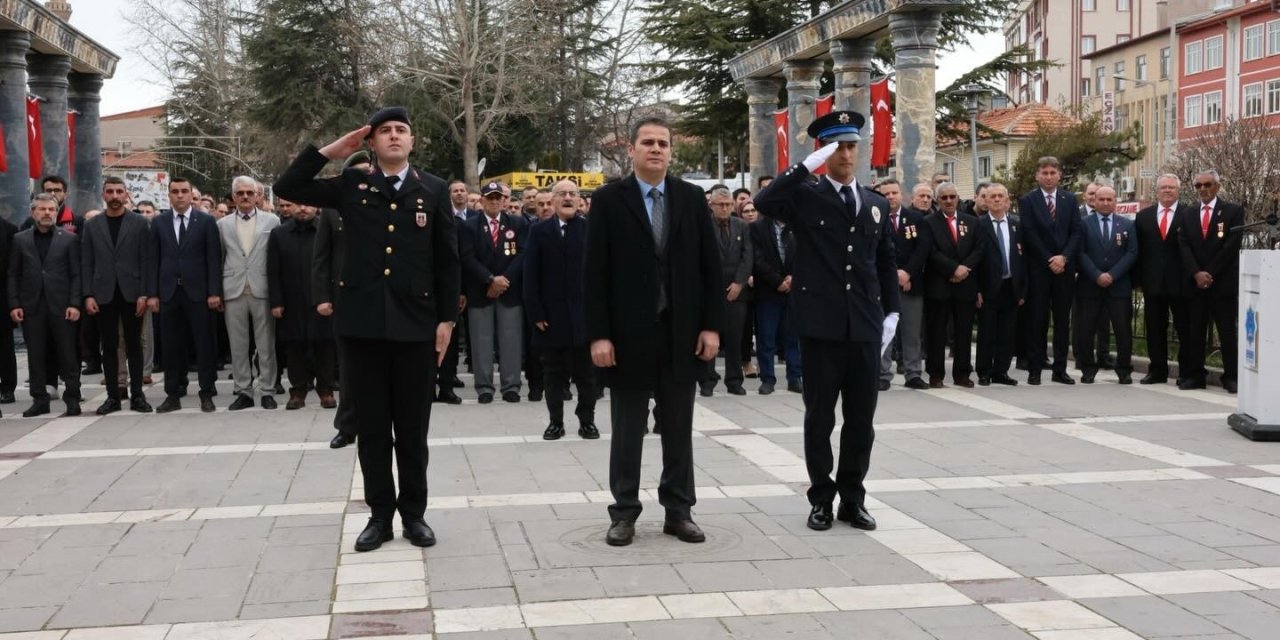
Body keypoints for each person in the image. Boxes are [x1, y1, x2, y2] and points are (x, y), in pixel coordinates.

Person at [274, 106, 459, 552]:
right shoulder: (353, 184)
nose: (394, 136)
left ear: (412, 142)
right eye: (385, 132)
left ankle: (414, 514)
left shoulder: (432, 189)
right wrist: (333, 150)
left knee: (412, 429)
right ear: (372, 143)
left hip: (416, 327)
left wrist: (447, 319)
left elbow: (447, 260)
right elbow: (288, 187)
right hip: (361, 326)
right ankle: (380, 515)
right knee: (373, 428)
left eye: (402, 130)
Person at [753, 110, 899, 533]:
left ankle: (853, 499)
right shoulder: (805, 195)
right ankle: (821, 498)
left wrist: (889, 310)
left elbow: (884, 259)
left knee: (861, 420)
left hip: (865, 327)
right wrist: (803, 168)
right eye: (839, 147)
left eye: (853, 145)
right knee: (820, 418)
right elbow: (764, 203)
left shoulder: (873, 203)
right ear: (825, 152)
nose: (848, 154)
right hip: (820, 325)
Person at [585, 116, 724, 547]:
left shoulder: (690, 198)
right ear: (631, 150)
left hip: (681, 332)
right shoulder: (610, 200)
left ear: (671, 151)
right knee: (628, 428)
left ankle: (679, 510)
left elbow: (710, 268)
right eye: (647, 142)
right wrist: (599, 334)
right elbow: (595, 273)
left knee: (678, 426)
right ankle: (624, 512)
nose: (656, 149)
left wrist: (711, 327)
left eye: (663, 143)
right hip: (627, 336)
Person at [524, 180, 599, 440]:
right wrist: (536, 313)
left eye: (573, 194)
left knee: (587, 377)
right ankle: (555, 421)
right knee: (553, 375)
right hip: (551, 318)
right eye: (562, 194)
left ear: (579, 200)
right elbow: (530, 275)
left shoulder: (591, 230)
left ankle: (586, 420)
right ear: (552, 201)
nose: (567, 198)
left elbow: (600, 275)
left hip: (583, 318)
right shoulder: (539, 231)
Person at [148, 176, 223, 413]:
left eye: (183, 191)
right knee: (171, 346)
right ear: (168, 195)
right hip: (169, 293)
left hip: (199, 293)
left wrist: (214, 291)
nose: (179, 195)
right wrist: (152, 294)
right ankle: (173, 393)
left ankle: (207, 392)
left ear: (192, 195)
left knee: (203, 344)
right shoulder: (159, 222)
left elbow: (214, 258)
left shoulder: (206, 222)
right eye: (174, 191)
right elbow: (153, 259)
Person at [80, 177, 154, 414]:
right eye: (110, 191)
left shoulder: (140, 223)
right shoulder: (92, 225)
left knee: (134, 345)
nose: (114, 195)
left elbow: (146, 260)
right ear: (103, 195)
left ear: (126, 195)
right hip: (103, 293)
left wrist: (145, 293)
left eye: (119, 191)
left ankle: (138, 396)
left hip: (133, 292)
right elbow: (87, 262)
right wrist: (88, 294)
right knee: (109, 346)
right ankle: (113, 396)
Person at [9, 194, 82, 417]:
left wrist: (74, 303)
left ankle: (72, 398)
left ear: (56, 212)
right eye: (42, 209)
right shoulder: (20, 239)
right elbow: (14, 274)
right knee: (36, 355)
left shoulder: (68, 239)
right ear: (33, 212)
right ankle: (39, 399)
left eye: (51, 209)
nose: (47, 213)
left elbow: (76, 274)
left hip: (62, 306)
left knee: (67, 354)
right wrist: (14, 304)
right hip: (32, 307)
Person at [314, 152, 366, 447]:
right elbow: (320, 258)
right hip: (343, 296)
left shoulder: (384, 207)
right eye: (356, 174)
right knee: (347, 365)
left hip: (377, 295)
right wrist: (321, 296)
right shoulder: (332, 211)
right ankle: (347, 426)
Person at [460, 182, 528, 403]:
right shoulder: (470, 226)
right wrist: (490, 279)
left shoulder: (517, 223)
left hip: (509, 291)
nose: (495, 201)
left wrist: (503, 280)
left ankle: (511, 386)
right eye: (490, 197)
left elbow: (522, 255)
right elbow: (468, 258)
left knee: (511, 340)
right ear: (482, 200)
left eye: (499, 197)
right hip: (481, 292)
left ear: (504, 200)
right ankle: (485, 387)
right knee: (481, 341)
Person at [219, 176, 282, 410]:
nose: (245, 197)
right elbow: (220, 257)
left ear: (258, 196)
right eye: (240, 193)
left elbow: (276, 258)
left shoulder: (272, 221)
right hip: (233, 289)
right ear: (233, 197)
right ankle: (243, 390)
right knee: (238, 344)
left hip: (262, 288)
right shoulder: (222, 225)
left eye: (249, 192)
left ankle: (267, 389)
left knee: (266, 344)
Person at [1018, 156, 1081, 385]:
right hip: (1039, 269)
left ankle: (1060, 369)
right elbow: (1029, 233)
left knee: (1063, 321)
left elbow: (1076, 231)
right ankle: (1035, 368)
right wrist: (1049, 259)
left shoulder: (1070, 199)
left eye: (1052, 173)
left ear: (1059, 175)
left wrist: (1063, 257)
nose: (1048, 177)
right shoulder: (1028, 201)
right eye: (1044, 173)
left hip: (1064, 269)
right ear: (1037, 176)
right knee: (1038, 320)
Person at [1178, 169, 1242, 393]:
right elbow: (1183, 245)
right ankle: (1196, 375)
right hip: (1195, 284)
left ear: (1217, 186)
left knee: (1226, 332)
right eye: (1198, 185)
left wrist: (1209, 273)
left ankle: (1231, 376)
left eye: (1207, 185)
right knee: (1196, 331)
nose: (1203, 189)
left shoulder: (1232, 211)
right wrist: (1197, 273)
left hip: (1221, 283)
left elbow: (1230, 247)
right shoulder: (1188, 213)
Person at [268, 202, 335, 410]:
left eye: (307, 204)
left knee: (324, 346)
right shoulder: (279, 234)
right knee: (294, 347)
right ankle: (297, 392)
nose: (303, 208)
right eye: (297, 204)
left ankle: (326, 391)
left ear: (317, 207)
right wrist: (276, 301)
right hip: (291, 300)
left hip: (322, 298)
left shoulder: (328, 231)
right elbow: (273, 270)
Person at [1074, 186, 1138, 384]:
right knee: (1086, 330)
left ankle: (1124, 370)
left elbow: (1132, 252)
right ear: (1095, 201)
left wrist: (1112, 274)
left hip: (1118, 286)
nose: (1105, 202)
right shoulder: (1083, 224)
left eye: (1109, 199)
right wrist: (1096, 275)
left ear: (1115, 201)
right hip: (1090, 286)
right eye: (1101, 199)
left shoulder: (1127, 224)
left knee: (1122, 330)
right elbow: (1080, 252)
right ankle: (1087, 368)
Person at [922, 182, 984, 388]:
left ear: (958, 198)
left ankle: (962, 373)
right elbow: (930, 252)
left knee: (964, 332)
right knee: (937, 332)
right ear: (937, 201)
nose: (949, 201)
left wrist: (964, 269)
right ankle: (936, 374)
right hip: (940, 285)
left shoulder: (972, 222)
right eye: (944, 198)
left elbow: (978, 249)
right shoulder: (929, 222)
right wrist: (952, 269)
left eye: (952, 197)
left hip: (965, 285)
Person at [1134, 174, 1189, 385]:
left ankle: (1186, 372)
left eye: (1171, 188)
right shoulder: (1144, 216)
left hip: (1181, 283)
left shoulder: (1188, 214)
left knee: (1185, 328)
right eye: (1163, 187)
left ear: (1178, 190)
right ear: (1156, 191)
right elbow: (1139, 251)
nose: (1167, 191)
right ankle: (1157, 370)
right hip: (1152, 283)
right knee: (1155, 329)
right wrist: (1138, 280)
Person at [699, 187, 752, 397]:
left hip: (736, 292)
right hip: (710, 291)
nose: (725, 208)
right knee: (709, 336)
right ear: (711, 205)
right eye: (720, 205)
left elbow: (748, 256)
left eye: (728, 204)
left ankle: (734, 380)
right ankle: (707, 380)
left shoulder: (741, 226)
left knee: (734, 338)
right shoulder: (703, 225)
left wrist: (739, 283)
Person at [878, 180, 929, 391]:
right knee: (885, 332)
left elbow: (923, 249)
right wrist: (893, 276)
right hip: (883, 286)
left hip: (911, 284)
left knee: (911, 333)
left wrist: (907, 273)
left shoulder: (915, 219)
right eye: (886, 194)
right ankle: (882, 374)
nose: (890, 197)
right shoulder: (875, 218)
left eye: (894, 192)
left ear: (903, 195)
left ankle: (913, 373)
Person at [974, 183, 1026, 386]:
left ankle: (1001, 371)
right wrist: (976, 289)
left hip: (1011, 285)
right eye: (992, 196)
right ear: (985, 201)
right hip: (988, 287)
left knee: (1007, 332)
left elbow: (1023, 258)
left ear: (1007, 201)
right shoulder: (978, 224)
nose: (996, 199)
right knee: (987, 331)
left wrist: (1022, 289)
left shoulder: (1017, 224)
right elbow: (975, 258)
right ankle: (984, 371)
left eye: (1000, 196)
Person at [749, 205, 801, 395]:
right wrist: (776, 281)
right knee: (766, 337)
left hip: (793, 290)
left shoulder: (799, 225)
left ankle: (795, 377)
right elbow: (756, 259)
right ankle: (767, 379)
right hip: (768, 290)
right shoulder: (757, 227)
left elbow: (806, 254)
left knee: (793, 338)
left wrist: (793, 276)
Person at [0, 213, 17, 405]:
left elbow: (13, 270)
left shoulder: (10, 230)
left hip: (2, 299)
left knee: (4, 346)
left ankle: (7, 387)